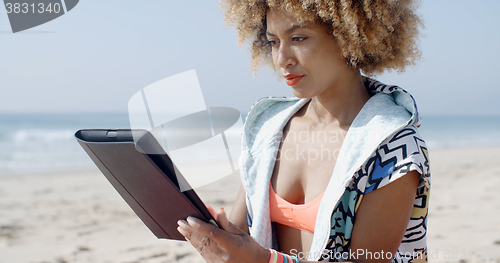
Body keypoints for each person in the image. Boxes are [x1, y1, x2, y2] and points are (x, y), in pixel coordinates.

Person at [177, 1, 430, 262]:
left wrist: (264, 260)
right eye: (273, 42)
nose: (281, 59)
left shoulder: (393, 146)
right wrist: (216, 238)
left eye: (298, 38)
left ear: (351, 35)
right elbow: (242, 234)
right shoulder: (268, 129)